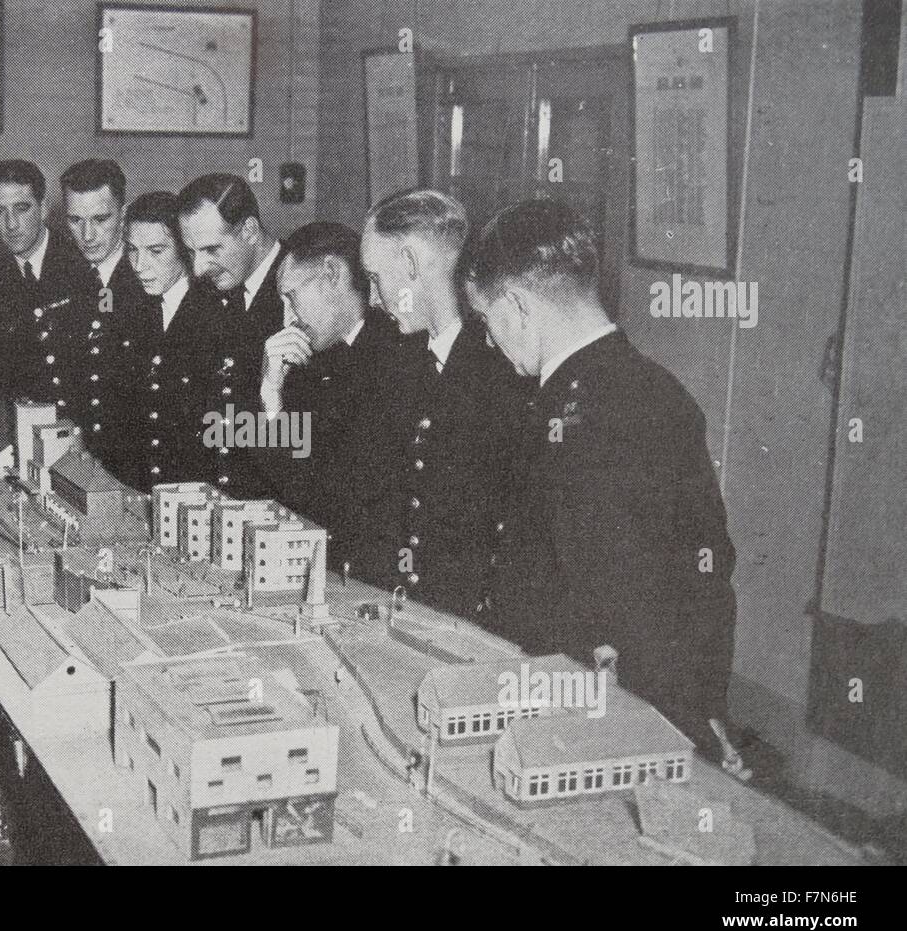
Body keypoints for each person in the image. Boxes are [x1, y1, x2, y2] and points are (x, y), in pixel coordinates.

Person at [461, 196, 736, 746]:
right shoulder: (652, 387)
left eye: (488, 321)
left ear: (517, 306)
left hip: (582, 709)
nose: (489, 341)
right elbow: (709, 568)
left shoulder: (579, 410)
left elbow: (611, 593)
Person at [358, 188, 526, 617]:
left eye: (376, 278)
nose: (373, 299)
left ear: (411, 264)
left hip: (466, 621)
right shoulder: (399, 358)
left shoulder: (504, 368)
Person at [254, 221, 403, 562]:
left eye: (292, 297)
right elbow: (286, 484)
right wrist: (271, 392)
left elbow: (334, 490)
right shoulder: (312, 363)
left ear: (333, 274)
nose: (288, 317)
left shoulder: (396, 352)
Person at [178, 174, 285, 496]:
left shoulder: (302, 286)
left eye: (212, 249)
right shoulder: (208, 292)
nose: (198, 268)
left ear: (250, 231)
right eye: (192, 252)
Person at [0, 159, 91, 444]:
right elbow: (5, 376)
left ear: (43, 209)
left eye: (22, 208)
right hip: (36, 433)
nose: (11, 224)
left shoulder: (84, 263)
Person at [120, 191, 224, 491]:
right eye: (131, 250)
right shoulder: (138, 313)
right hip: (147, 486)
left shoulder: (214, 312)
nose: (139, 265)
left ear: (184, 250)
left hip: (198, 490)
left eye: (155, 251)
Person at [59, 159, 147, 479]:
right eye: (75, 220)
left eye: (100, 219)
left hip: (140, 456)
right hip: (86, 457)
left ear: (123, 215)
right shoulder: (66, 278)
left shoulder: (149, 277)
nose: (87, 234)